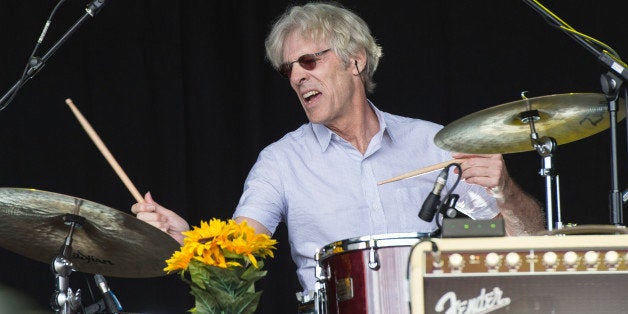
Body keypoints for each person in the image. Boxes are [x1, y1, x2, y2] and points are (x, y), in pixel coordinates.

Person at [132, 0, 544, 301]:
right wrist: (184, 239)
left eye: (309, 61)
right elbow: (240, 249)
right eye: (288, 68)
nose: (297, 76)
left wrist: (506, 192)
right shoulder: (281, 162)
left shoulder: (434, 144)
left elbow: (527, 242)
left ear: (356, 62)